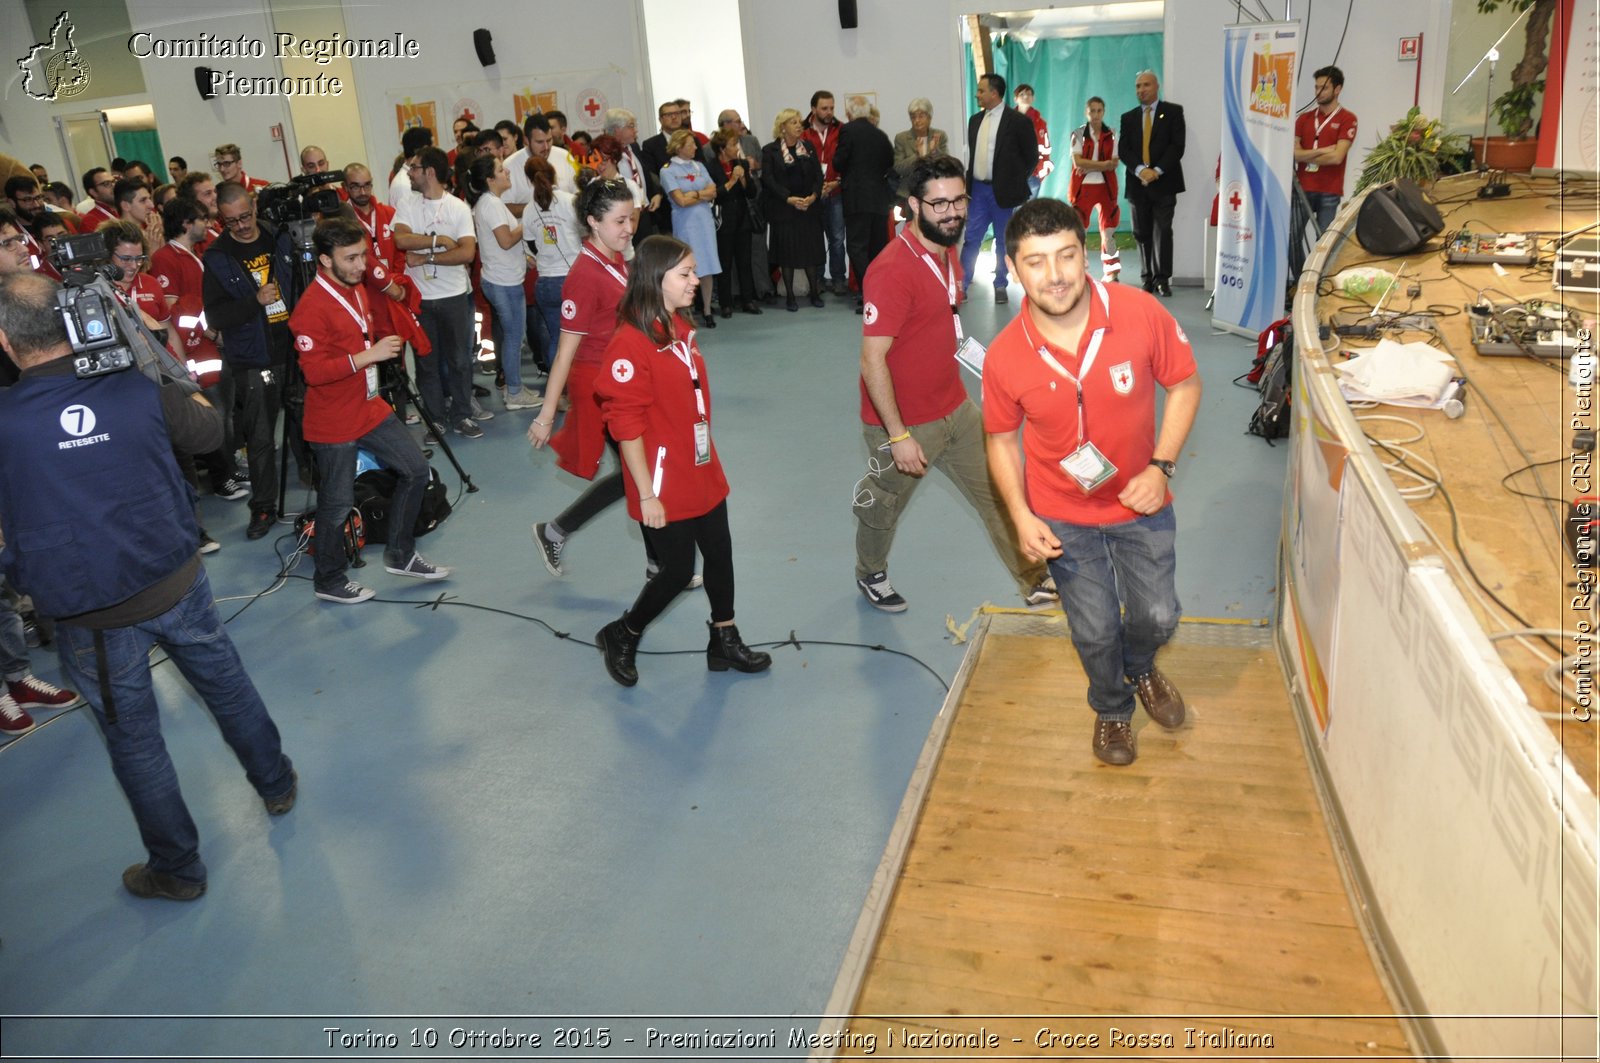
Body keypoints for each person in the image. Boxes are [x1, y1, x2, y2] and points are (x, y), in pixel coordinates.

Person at [0, 271, 297, 900]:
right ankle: (277, 783)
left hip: (94, 611)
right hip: (174, 575)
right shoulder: (133, 387)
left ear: (5, 340)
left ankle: (179, 870)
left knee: (135, 740)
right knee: (225, 682)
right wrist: (147, 356)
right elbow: (212, 432)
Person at [982, 197, 1200, 765]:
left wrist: (1162, 466)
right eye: (1036, 262)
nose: (1054, 276)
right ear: (1013, 265)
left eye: (1066, 256)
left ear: (1087, 254)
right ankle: (1111, 708)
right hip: (1063, 517)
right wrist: (1020, 516)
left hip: (1141, 504)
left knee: (1158, 616)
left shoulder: (1141, 312)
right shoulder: (1005, 356)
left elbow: (1185, 384)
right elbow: (1001, 439)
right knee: (1095, 631)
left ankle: (1141, 668)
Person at [854, 154, 1054, 613]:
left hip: (956, 410)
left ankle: (1035, 578)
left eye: (958, 200)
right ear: (914, 205)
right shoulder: (891, 271)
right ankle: (871, 572)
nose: (952, 212)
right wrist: (898, 435)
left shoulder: (946, 255)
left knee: (1001, 493)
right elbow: (872, 359)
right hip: (903, 424)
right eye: (938, 204)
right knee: (883, 507)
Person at [591, 235, 770, 687]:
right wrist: (647, 493)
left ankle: (723, 639)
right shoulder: (630, 346)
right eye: (685, 274)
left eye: (693, 272)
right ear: (656, 280)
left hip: (701, 464)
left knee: (720, 553)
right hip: (663, 480)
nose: (695, 280)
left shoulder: (678, 330)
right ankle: (623, 633)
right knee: (676, 572)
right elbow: (624, 426)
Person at [289, 216, 451, 603]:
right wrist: (368, 356)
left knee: (416, 470)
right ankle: (328, 579)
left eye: (362, 255)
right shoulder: (310, 309)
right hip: (333, 421)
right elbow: (313, 373)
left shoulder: (358, 289)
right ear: (325, 261)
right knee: (338, 503)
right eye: (350, 259)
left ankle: (400, 552)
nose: (362, 266)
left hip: (367, 405)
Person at [202, 180, 300, 538]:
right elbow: (214, 317)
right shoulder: (217, 257)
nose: (242, 226)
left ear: (255, 207)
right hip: (254, 357)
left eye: (246, 217)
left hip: (295, 347)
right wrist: (253, 302)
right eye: (232, 221)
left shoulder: (280, 237)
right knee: (260, 438)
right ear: (221, 219)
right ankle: (262, 509)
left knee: (309, 425)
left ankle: (321, 488)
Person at [392, 146, 482, 439]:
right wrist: (438, 241)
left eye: (414, 168)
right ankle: (436, 420)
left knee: (459, 360)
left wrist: (426, 257)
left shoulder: (458, 207)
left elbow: (467, 253)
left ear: (429, 172)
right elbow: (401, 239)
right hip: (420, 299)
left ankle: (462, 415)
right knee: (426, 362)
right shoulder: (408, 203)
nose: (410, 173)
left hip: (454, 295)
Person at [465, 155, 538, 410]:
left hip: (504, 278)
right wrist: (526, 220)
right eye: (500, 169)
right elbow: (505, 240)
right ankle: (515, 393)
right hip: (503, 283)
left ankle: (513, 386)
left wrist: (523, 257)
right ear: (489, 179)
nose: (507, 171)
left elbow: (502, 244)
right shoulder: (492, 205)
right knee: (513, 337)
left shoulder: (492, 202)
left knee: (511, 336)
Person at [962, 72, 1037, 303]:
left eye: (981, 90)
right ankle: (961, 285)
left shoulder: (1018, 121)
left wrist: (1013, 180)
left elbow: (1031, 157)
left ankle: (1001, 284)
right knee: (971, 238)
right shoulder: (975, 120)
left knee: (1004, 240)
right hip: (978, 190)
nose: (977, 94)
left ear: (994, 93)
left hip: (1002, 193)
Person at [1118, 70, 1186, 297]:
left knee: (1163, 231)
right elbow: (1124, 150)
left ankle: (1162, 279)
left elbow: (1177, 146)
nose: (1141, 90)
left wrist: (1155, 171)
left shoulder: (1173, 112)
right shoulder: (1128, 118)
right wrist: (1140, 170)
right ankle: (1146, 278)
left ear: (1157, 86)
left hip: (1164, 183)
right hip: (1137, 184)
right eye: (1138, 86)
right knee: (1141, 232)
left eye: (1146, 85)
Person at [833, 95, 896, 314]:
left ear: (849, 113)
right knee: (877, 249)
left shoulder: (848, 131)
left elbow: (838, 162)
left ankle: (868, 293)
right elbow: (890, 161)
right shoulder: (880, 134)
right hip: (879, 200)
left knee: (857, 247)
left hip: (857, 199)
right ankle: (880, 293)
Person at [523, 155, 584, 372]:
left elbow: (532, 246)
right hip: (573, 279)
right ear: (553, 173)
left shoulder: (529, 210)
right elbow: (585, 233)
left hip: (546, 282)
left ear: (530, 180)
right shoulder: (571, 201)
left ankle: (557, 392)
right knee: (580, 340)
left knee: (555, 340)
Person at [761, 109, 825, 312]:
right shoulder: (770, 151)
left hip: (808, 208)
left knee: (811, 253)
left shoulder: (808, 147)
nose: (799, 125)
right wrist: (788, 199)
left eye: (799, 122)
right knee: (787, 255)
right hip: (784, 209)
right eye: (793, 122)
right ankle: (789, 296)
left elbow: (818, 175)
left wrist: (814, 196)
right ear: (782, 127)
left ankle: (814, 292)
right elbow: (768, 180)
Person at [659, 129, 720, 327]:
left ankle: (707, 309)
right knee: (687, 267)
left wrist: (693, 194)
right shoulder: (668, 170)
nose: (696, 147)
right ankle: (687, 312)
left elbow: (713, 191)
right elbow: (680, 201)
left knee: (708, 265)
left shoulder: (699, 165)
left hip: (704, 222)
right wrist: (700, 194)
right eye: (691, 144)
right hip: (685, 224)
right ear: (679, 147)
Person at [1294, 65, 1357, 232]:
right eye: (1316, 87)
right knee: (1291, 238)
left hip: (1329, 190)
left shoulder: (1348, 119)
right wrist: (1322, 151)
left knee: (1323, 242)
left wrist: (1305, 155)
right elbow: (1294, 155)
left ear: (1337, 89)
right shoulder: (1303, 119)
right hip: (1302, 188)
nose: (1318, 92)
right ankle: (1300, 261)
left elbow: (1337, 157)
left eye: (1324, 88)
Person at [1069, 96, 1123, 283]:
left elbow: (1114, 164)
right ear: (1087, 112)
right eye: (1092, 110)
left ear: (1104, 112)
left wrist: (1090, 164)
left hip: (1107, 189)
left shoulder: (1113, 134)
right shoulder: (1077, 134)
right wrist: (1103, 164)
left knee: (1108, 231)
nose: (1096, 114)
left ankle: (1111, 272)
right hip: (1082, 189)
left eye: (1099, 110)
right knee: (1079, 232)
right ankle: (1079, 272)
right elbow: (1077, 162)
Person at [709, 131, 761, 317]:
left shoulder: (742, 164)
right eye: (733, 145)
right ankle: (726, 303)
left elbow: (752, 193)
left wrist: (744, 179)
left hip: (742, 219)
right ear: (722, 149)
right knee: (724, 263)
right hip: (722, 221)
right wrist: (731, 181)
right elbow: (715, 194)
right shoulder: (711, 167)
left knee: (744, 261)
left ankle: (748, 300)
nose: (737, 148)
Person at [893, 98, 950, 203]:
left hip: (934, 192)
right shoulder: (902, 138)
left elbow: (946, 166)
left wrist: (934, 151)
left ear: (929, 118)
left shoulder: (939, 136)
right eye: (913, 117)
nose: (917, 120)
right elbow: (898, 168)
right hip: (908, 194)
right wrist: (918, 156)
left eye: (921, 116)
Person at [1014, 83, 1054, 199]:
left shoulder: (1041, 123)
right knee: (1014, 210)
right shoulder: (1008, 121)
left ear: (1033, 98)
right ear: (1015, 99)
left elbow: (1046, 149)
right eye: (1022, 94)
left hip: (1033, 174)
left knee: (1029, 211)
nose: (1026, 96)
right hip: (1013, 174)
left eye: (1029, 94)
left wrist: (1040, 171)